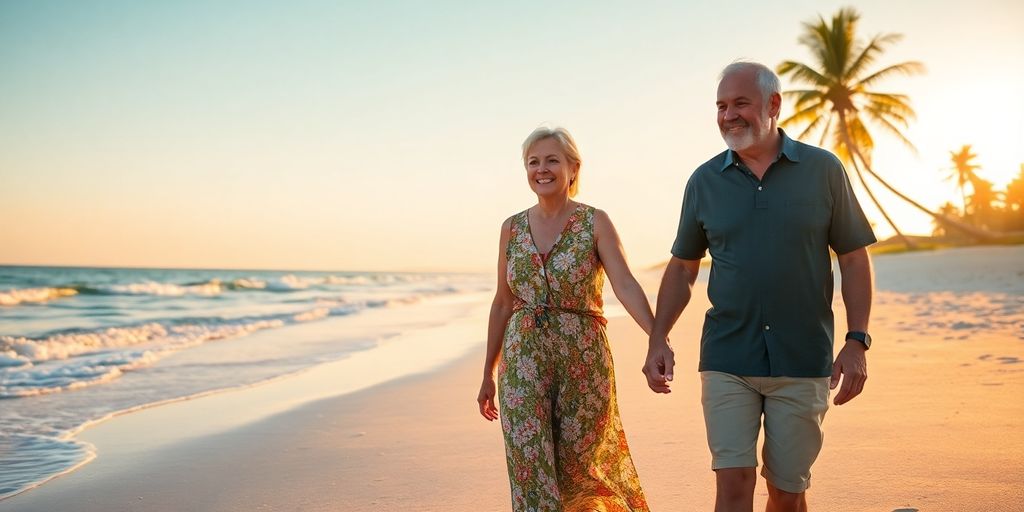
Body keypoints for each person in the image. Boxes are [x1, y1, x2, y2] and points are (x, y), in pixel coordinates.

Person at [642, 61, 876, 512]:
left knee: (787, 493)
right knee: (732, 485)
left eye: (740, 103)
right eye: (721, 106)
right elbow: (683, 267)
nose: (729, 115)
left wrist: (857, 341)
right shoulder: (704, 181)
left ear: (773, 104)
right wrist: (658, 338)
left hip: (803, 358)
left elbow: (853, 257)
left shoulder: (823, 170)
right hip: (728, 357)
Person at [477, 126, 652, 511]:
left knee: (582, 473)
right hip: (522, 363)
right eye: (533, 162)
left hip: (583, 362)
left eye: (552, 160)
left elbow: (624, 283)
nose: (541, 169)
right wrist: (488, 372)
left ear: (573, 168)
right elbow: (503, 303)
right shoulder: (511, 228)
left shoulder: (595, 222)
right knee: (530, 469)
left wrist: (657, 338)